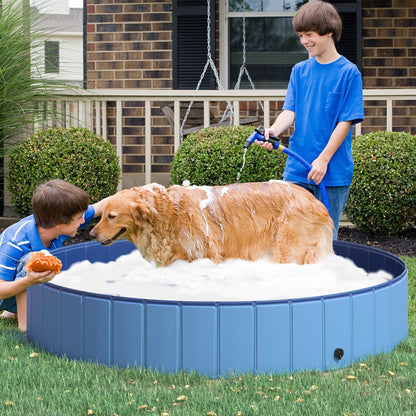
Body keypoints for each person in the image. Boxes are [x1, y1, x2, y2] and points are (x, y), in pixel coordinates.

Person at [256, 0, 364, 238]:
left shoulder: (348, 73)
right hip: (297, 168)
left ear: (329, 32)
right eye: (300, 35)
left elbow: (345, 123)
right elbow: (290, 111)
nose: (304, 41)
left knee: (324, 240)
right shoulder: (300, 71)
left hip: (332, 172)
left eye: (309, 34)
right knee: (291, 235)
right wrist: (273, 131)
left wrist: (323, 160)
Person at [0, 179, 110, 331]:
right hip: (5, 291)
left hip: (25, 283)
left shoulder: (55, 226)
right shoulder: (14, 243)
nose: (84, 220)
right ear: (59, 222)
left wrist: (143, 190)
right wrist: (27, 281)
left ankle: (14, 309)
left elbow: (102, 205)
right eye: (80, 217)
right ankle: (25, 328)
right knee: (34, 259)